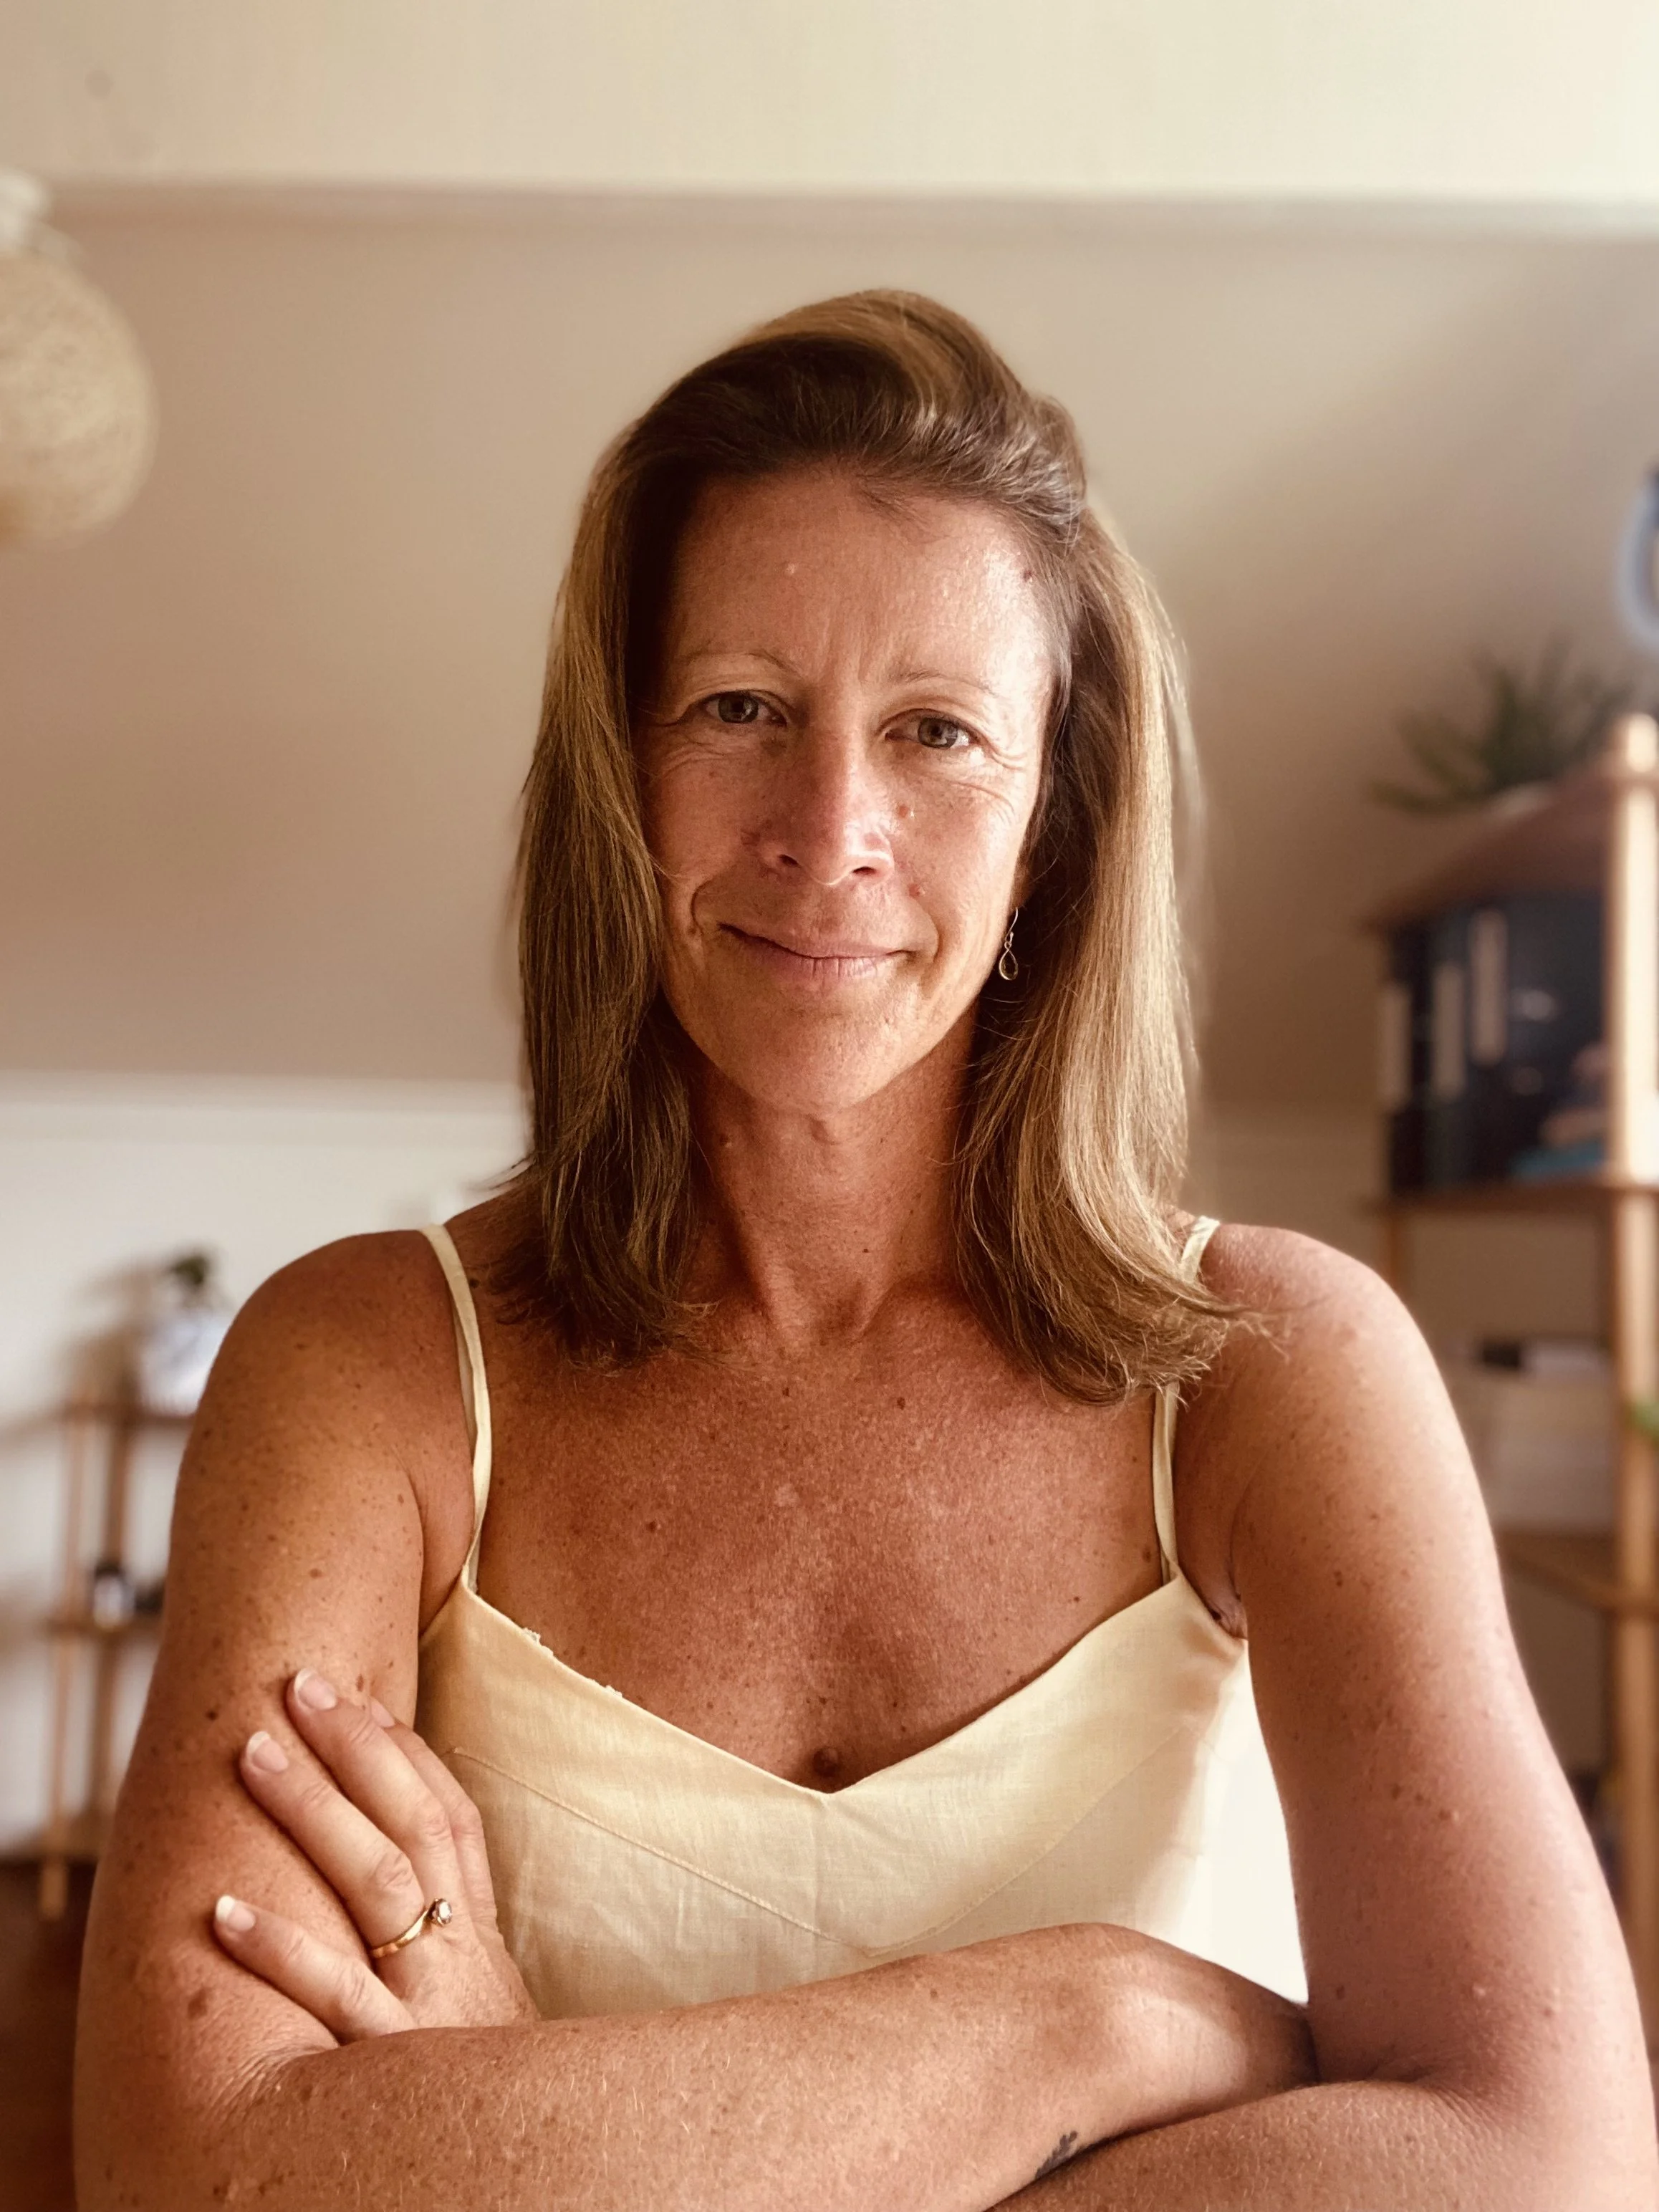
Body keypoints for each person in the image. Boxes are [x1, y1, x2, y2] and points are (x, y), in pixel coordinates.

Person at [76, 292, 1655, 2210]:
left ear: (1049, 834)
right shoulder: (361, 1368)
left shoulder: (1279, 1370)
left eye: (936, 733)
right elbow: (193, 2168)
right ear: (617, 774)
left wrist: (517, 2112)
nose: (829, 831)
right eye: (739, 707)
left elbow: (1544, 2168)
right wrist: (1081, 2028)